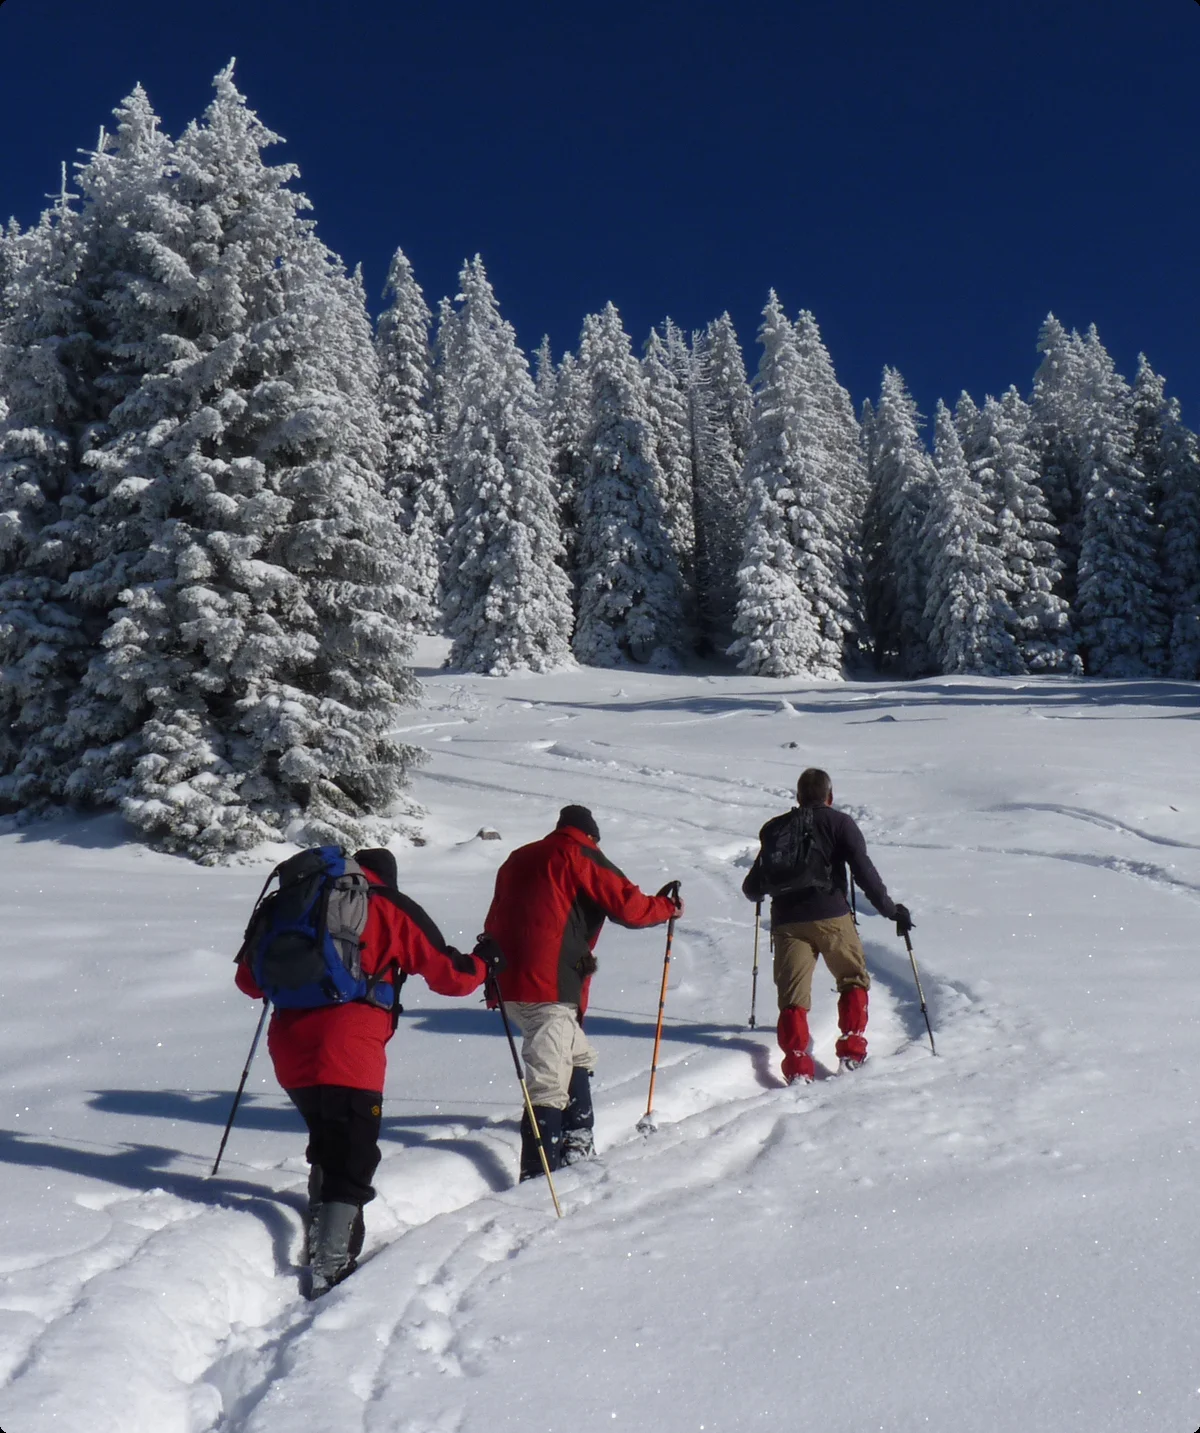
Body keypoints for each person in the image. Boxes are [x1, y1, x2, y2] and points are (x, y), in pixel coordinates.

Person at [235, 848, 497, 1297]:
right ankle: (330, 1268)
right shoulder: (386, 904)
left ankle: (323, 1235)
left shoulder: (294, 900)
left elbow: (247, 981)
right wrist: (483, 964)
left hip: (289, 1048)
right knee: (352, 1156)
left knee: (330, 1137)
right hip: (349, 1047)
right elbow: (448, 976)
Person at [483, 805, 680, 1180]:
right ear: (591, 836)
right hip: (548, 985)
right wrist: (667, 907)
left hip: (506, 979)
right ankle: (538, 1178)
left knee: (576, 1054)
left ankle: (578, 1142)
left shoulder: (517, 858)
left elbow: (497, 916)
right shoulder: (578, 854)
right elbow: (628, 906)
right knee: (547, 1083)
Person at [742, 768, 913, 1084]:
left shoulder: (776, 829)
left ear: (798, 797)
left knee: (793, 997)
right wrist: (891, 910)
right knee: (852, 978)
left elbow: (752, 887)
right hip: (831, 916)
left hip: (787, 923)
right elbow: (865, 874)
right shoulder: (840, 823)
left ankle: (797, 1069)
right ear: (829, 797)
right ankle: (851, 1050)